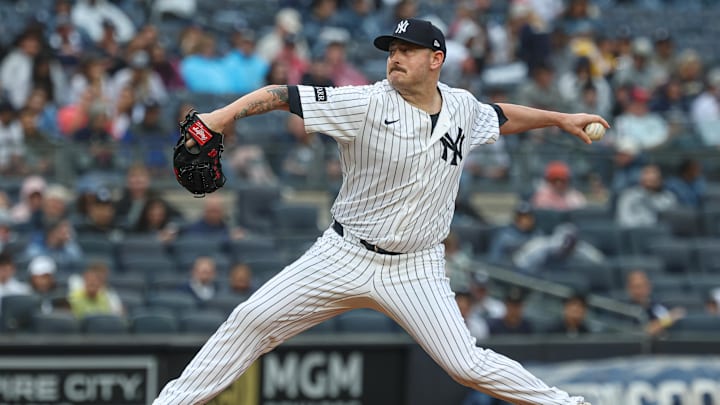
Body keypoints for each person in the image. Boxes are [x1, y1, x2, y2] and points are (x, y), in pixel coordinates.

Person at [154, 19, 602, 405]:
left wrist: (560, 118)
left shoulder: (462, 107)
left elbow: (500, 116)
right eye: (392, 50)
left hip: (416, 267)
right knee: (250, 322)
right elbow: (280, 94)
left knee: (466, 364)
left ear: (436, 58)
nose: (396, 57)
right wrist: (219, 117)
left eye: (408, 50)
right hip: (343, 254)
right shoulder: (364, 103)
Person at [625, 270, 685, 336]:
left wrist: (664, 321)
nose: (639, 291)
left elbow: (677, 314)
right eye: (635, 287)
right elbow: (644, 331)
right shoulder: (625, 310)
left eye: (642, 286)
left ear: (649, 286)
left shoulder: (656, 306)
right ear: (629, 289)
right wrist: (664, 322)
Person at [616, 164, 677, 228]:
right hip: (634, 233)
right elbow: (624, 220)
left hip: (659, 233)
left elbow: (672, 221)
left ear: (661, 180)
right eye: (646, 173)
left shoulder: (669, 197)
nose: (650, 176)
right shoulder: (628, 195)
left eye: (654, 179)